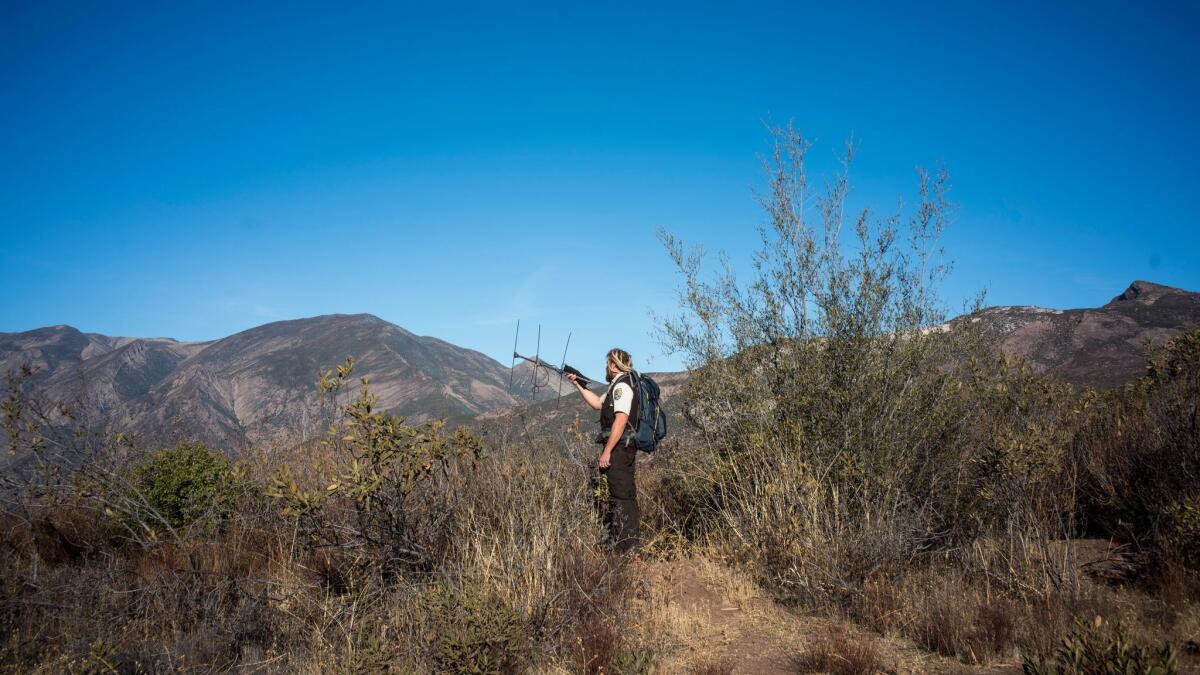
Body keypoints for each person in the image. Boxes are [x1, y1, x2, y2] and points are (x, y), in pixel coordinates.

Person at [566, 348, 640, 554]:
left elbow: (621, 421)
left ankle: (631, 553)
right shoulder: (616, 386)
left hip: (620, 450)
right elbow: (598, 404)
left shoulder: (622, 388)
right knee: (619, 497)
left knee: (623, 499)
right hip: (620, 448)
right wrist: (577, 384)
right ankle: (623, 549)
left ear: (614, 365)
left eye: (608, 364)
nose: (606, 368)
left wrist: (607, 452)